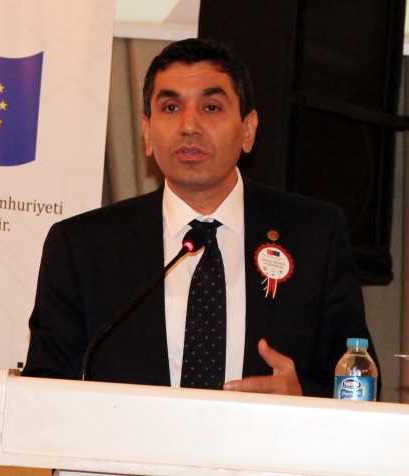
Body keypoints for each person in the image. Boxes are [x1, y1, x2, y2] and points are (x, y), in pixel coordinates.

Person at [21, 38, 379, 398]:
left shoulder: (315, 236)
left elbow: (359, 384)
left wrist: (301, 399)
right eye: (171, 107)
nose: (189, 125)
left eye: (211, 107)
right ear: (147, 132)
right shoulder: (82, 247)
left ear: (248, 129)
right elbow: (43, 390)